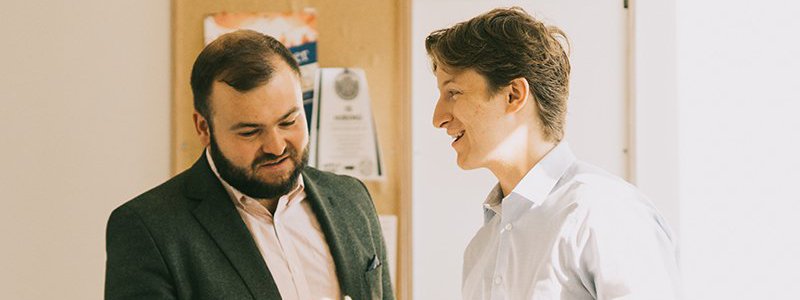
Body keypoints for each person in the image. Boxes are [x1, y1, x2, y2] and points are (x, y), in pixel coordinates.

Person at [105, 30, 393, 300]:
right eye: (250, 131)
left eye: (289, 121)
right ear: (204, 128)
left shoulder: (351, 197)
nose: (276, 146)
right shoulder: (147, 228)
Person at [426, 7, 681, 300]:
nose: (438, 117)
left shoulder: (603, 212)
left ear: (514, 95)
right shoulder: (480, 248)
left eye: (453, 93)